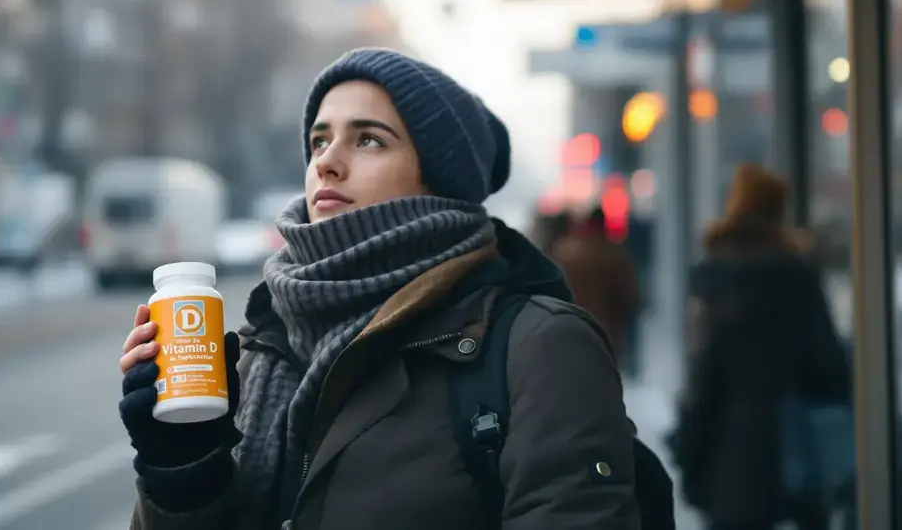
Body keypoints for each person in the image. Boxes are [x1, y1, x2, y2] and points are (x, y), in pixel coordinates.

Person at [118, 48, 640, 530]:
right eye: (319, 140)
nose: (326, 161)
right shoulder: (267, 344)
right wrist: (183, 469)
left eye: (368, 139)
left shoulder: (540, 347)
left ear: (435, 181)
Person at [670, 164, 850, 530]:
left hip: (728, 454)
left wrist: (690, 448)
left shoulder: (709, 278)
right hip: (794, 447)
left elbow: (702, 375)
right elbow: (830, 368)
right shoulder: (797, 275)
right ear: (779, 212)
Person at [552, 206, 641, 368]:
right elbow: (631, 298)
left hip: (570, 332)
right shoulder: (615, 254)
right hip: (606, 334)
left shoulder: (564, 252)